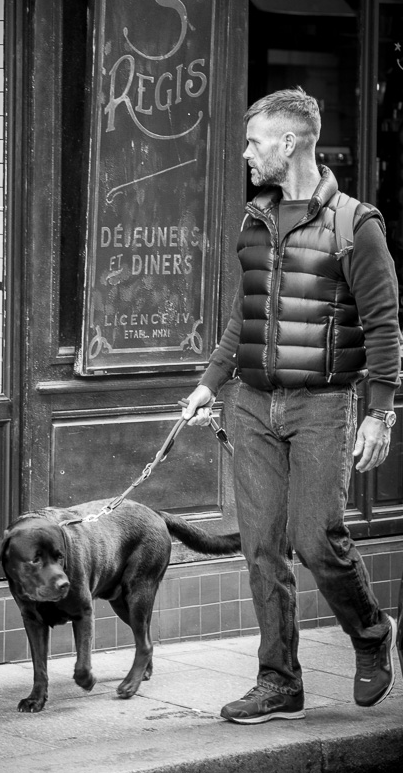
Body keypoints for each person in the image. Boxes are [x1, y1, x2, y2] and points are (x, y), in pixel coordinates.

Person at [182, 88, 400, 724]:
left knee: (316, 538)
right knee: (261, 547)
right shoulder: (255, 218)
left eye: (254, 141)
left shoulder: (355, 225)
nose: (246, 152)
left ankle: (371, 634)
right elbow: (244, 318)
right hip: (250, 405)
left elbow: (386, 326)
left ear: (289, 143)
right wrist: (209, 383)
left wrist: (380, 412)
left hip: (323, 406)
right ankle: (279, 680)